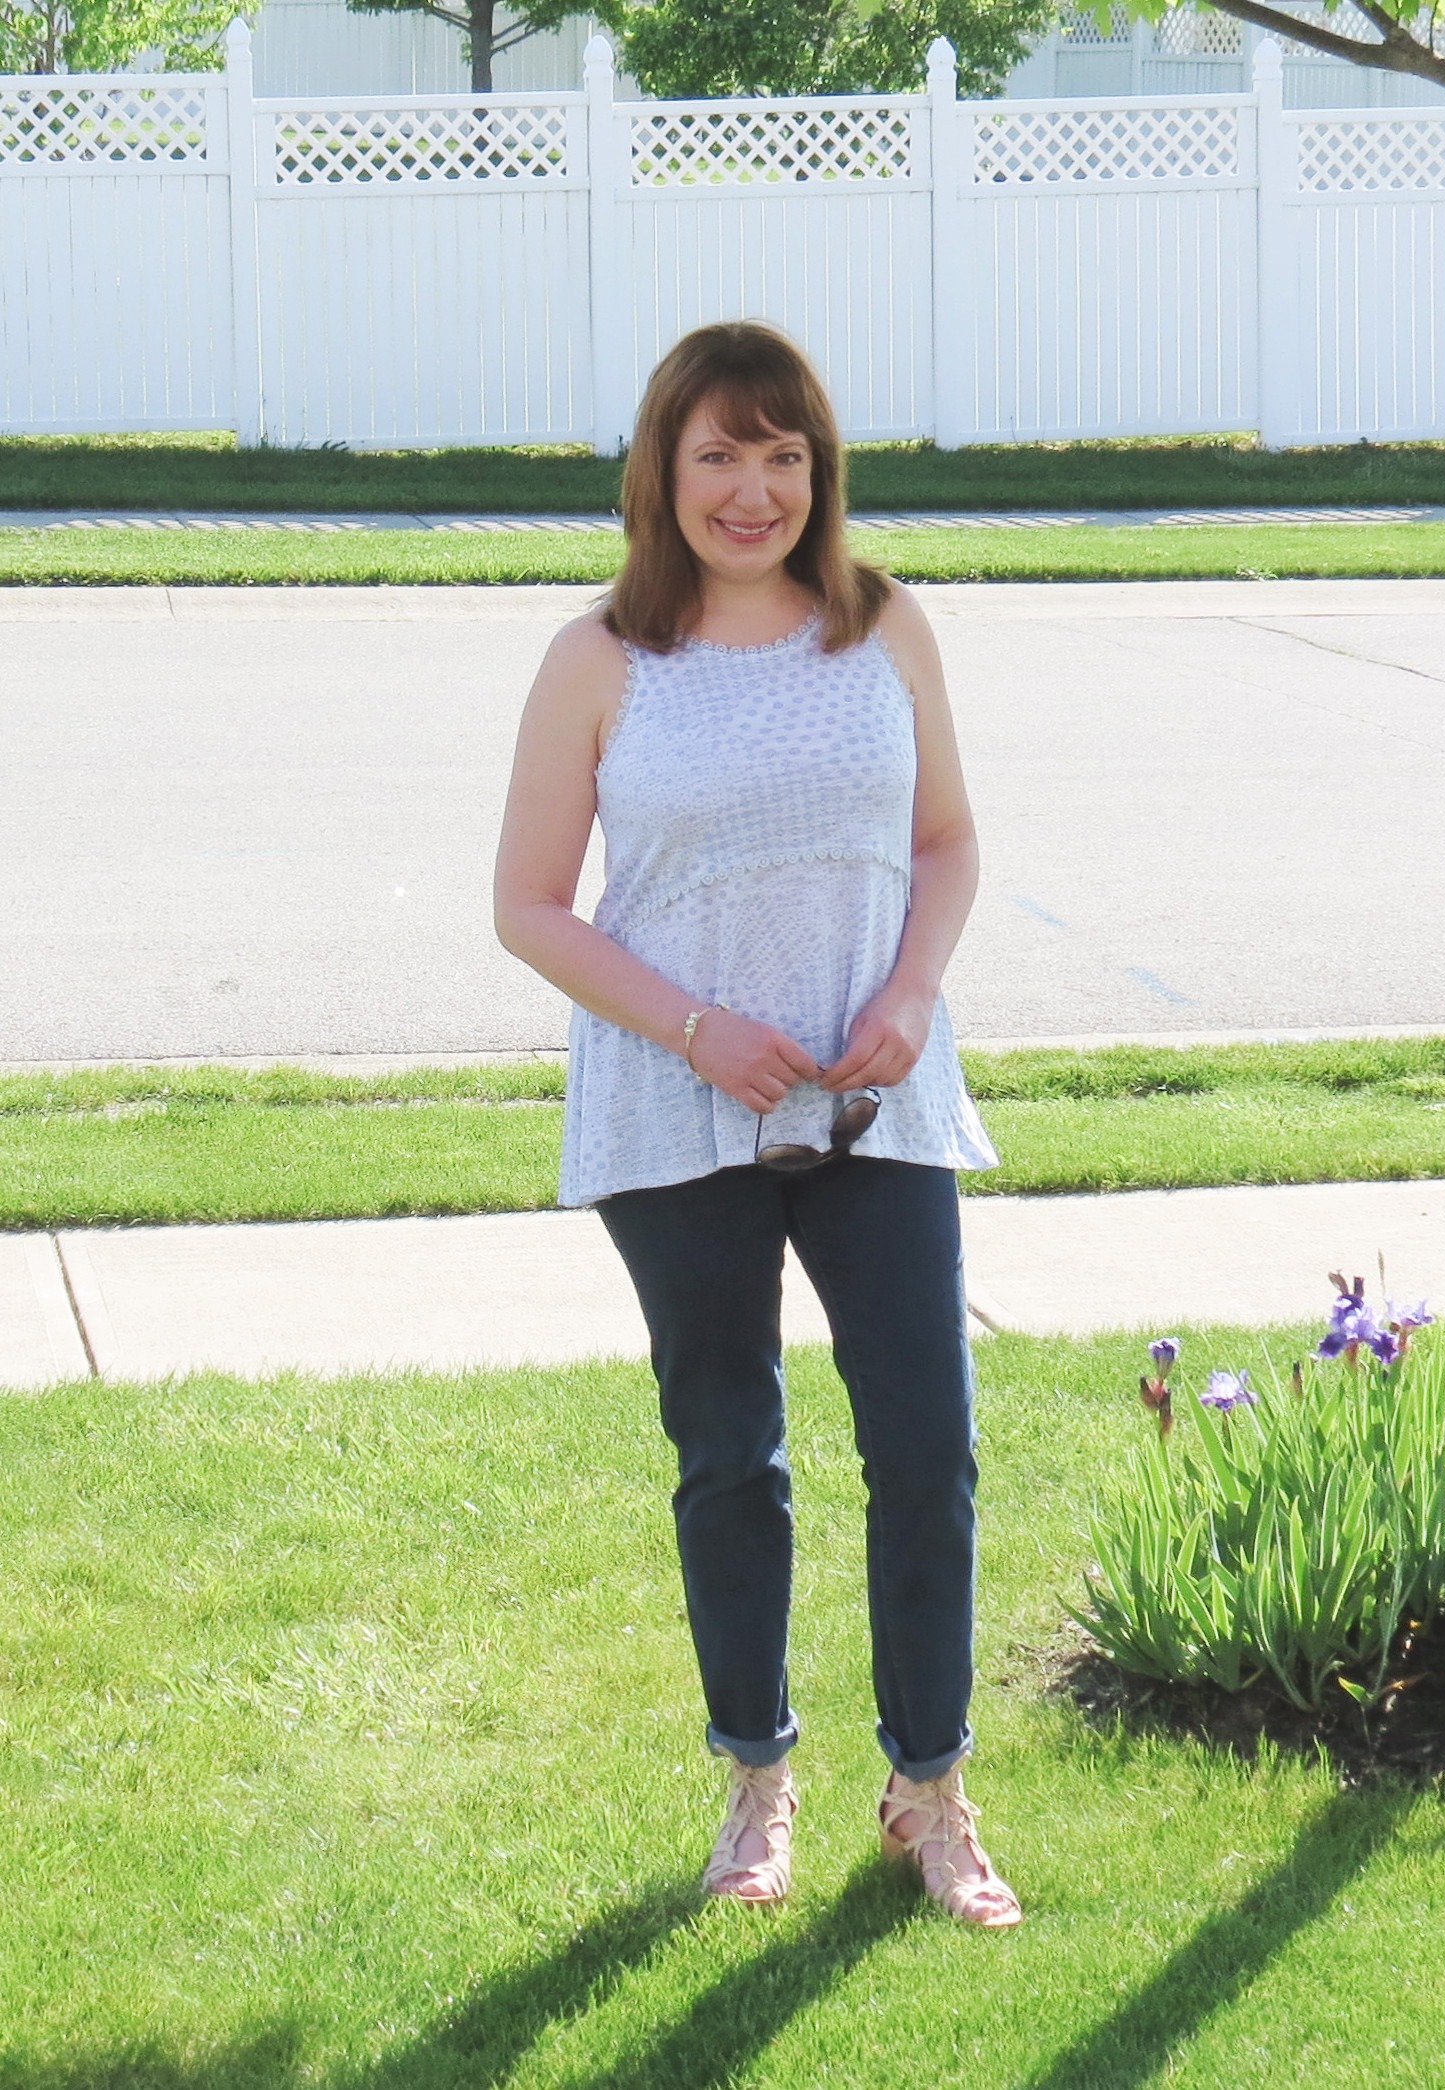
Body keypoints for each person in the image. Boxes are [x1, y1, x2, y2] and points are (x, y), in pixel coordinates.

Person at [492, 320, 1021, 1929]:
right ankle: (757, 1779)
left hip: (878, 1104)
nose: (752, 488)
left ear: (820, 471)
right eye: (718, 452)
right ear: (662, 468)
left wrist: (916, 993)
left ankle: (927, 1790)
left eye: (781, 454)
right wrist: (698, 1027)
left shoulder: (884, 629)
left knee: (924, 1451)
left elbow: (946, 842)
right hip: (678, 1115)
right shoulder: (599, 659)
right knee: (732, 1457)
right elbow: (526, 907)